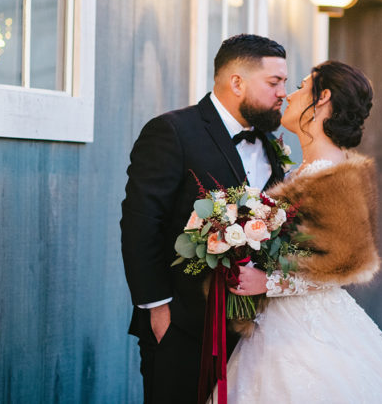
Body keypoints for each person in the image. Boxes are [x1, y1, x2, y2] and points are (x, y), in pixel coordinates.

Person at [226, 60, 382, 403]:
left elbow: (342, 265)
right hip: (278, 320)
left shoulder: (331, 173)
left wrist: (266, 282)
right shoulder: (307, 168)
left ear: (323, 98)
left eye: (300, 86)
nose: (290, 95)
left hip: (304, 330)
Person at [121, 34, 289, 404]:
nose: (283, 94)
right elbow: (140, 223)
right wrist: (158, 310)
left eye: (285, 84)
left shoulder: (271, 144)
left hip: (252, 332)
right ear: (236, 82)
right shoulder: (172, 131)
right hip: (182, 326)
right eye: (274, 83)